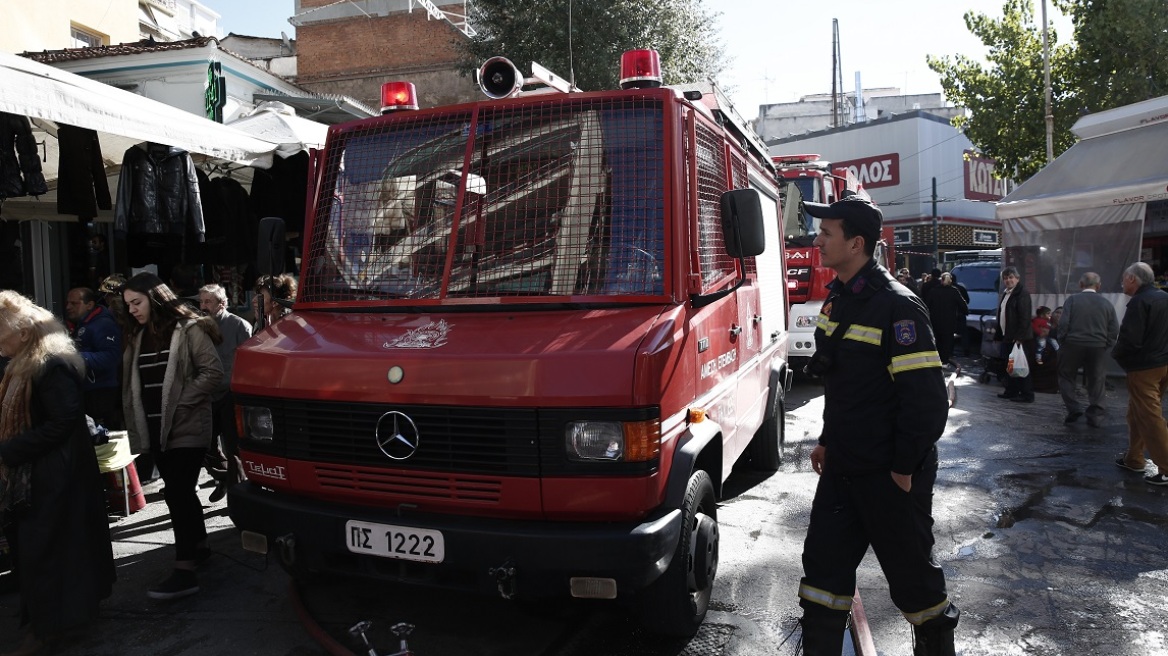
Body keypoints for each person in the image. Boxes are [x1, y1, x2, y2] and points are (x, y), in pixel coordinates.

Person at [795, 196, 958, 655]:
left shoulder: (897, 307)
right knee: (822, 581)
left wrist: (904, 468)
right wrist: (828, 440)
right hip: (845, 468)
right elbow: (843, 383)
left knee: (917, 588)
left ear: (857, 243)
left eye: (827, 233)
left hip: (890, 475)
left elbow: (926, 403)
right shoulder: (840, 299)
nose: (817, 239)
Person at [0, 290, 115, 655]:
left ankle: (50, 629)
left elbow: (63, 421)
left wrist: (9, 450)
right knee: (47, 553)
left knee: (47, 554)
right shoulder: (25, 361)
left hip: (56, 478)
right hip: (46, 473)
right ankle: (54, 622)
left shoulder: (50, 365)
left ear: (23, 334)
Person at [120, 272, 223, 599]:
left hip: (188, 427)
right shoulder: (138, 336)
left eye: (137, 302)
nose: (133, 309)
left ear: (155, 298)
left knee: (176, 492)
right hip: (156, 431)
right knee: (181, 491)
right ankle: (201, 545)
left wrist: (178, 402)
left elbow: (213, 374)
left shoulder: (190, 330)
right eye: (128, 305)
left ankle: (185, 569)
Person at [1111, 262, 1168, 486]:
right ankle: (1134, 458)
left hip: (1144, 367)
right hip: (1163, 363)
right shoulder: (1164, 297)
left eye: (1124, 279)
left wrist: (1118, 356)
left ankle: (1166, 467)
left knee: (1149, 416)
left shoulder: (1139, 302)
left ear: (1133, 279)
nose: (1122, 283)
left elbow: (1129, 340)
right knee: (1138, 412)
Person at [197, 283, 252, 503]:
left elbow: (247, 362)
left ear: (222, 303)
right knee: (205, 444)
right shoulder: (198, 327)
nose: (203, 306)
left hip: (229, 392)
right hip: (207, 393)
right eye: (201, 301)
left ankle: (236, 492)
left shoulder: (239, 325)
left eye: (208, 301)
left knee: (232, 446)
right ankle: (222, 477)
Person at [1056, 272, 1119, 427]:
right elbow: (1114, 328)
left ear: (1080, 284)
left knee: (1066, 376)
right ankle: (1096, 414)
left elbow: (1063, 324)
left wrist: (1062, 341)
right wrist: (1106, 344)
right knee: (1097, 379)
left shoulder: (1072, 300)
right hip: (1097, 346)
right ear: (1098, 286)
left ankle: (1074, 408)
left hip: (1072, 345)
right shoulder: (1106, 304)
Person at [64, 287, 124, 430]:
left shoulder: (103, 324)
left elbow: (111, 357)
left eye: (74, 303)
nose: (68, 307)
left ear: (89, 305)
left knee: (103, 436)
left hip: (101, 391)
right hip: (87, 389)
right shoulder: (82, 324)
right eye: (68, 303)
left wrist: (74, 357)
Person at [996, 266, 1035, 403]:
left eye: (1011, 277)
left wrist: (1019, 337)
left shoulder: (1022, 294)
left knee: (1021, 365)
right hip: (1008, 336)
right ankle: (1011, 391)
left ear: (1017, 279)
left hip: (1018, 338)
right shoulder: (1007, 293)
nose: (1008, 280)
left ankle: (1026, 394)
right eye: (1006, 278)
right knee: (1010, 365)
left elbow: (1024, 317)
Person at [924, 272, 968, 367]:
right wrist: (964, 312)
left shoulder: (933, 291)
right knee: (947, 341)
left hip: (935, 321)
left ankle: (936, 360)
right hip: (949, 322)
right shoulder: (954, 291)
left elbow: (927, 305)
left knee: (937, 340)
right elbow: (963, 305)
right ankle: (944, 361)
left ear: (941, 280)